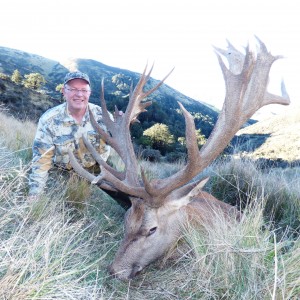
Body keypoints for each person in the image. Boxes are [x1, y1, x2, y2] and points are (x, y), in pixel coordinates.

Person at [28, 71, 131, 208]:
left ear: (89, 93)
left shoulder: (103, 116)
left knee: (128, 201)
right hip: (64, 174)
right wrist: (35, 194)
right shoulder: (49, 120)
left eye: (83, 90)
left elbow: (120, 145)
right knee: (60, 205)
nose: (79, 94)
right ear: (64, 91)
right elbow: (42, 160)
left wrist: (122, 126)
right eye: (73, 89)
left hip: (100, 173)